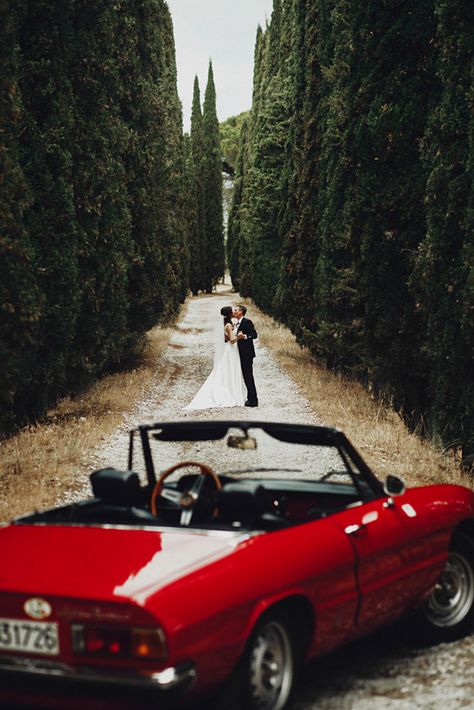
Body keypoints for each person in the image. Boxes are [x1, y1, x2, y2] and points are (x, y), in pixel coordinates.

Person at [184, 306, 245, 410]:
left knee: (226, 370)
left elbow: (225, 337)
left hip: (228, 349)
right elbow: (232, 340)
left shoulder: (224, 324)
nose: (234, 311)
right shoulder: (229, 325)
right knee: (229, 371)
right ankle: (229, 394)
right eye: (233, 310)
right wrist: (239, 337)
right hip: (230, 350)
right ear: (229, 313)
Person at [233, 305, 258, 407]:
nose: (234, 311)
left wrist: (245, 336)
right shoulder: (236, 323)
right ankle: (250, 398)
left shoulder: (247, 322)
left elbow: (254, 334)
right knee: (246, 376)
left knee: (248, 376)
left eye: (236, 310)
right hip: (240, 353)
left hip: (247, 354)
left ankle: (253, 400)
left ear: (241, 312)